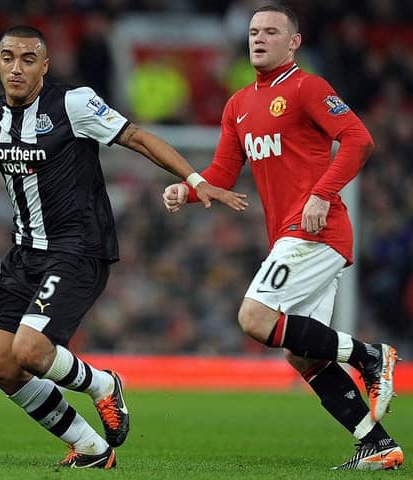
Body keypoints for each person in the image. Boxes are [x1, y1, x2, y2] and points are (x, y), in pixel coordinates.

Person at [0, 25, 247, 469]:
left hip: (79, 248)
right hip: (25, 254)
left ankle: (103, 386)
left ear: (44, 67)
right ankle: (90, 449)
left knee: (30, 350)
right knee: (1, 367)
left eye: (28, 59)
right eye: (8, 57)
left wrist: (195, 179)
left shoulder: (74, 104)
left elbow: (138, 137)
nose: (16, 67)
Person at [162, 5, 403, 471]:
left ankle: (372, 356)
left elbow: (359, 139)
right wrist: (187, 189)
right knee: (302, 354)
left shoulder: (307, 87)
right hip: (290, 234)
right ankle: (375, 442)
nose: (259, 38)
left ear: (294, 42)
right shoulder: (237, 105)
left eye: (272, 31)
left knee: (254, 318)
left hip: (316, 227)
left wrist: (321, 194)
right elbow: (222, 172)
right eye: (254, 31)